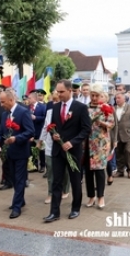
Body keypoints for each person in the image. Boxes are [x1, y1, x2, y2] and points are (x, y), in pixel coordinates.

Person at [43, 79, 91, 222]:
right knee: (56, 182)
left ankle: (75, 208)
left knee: (75, 180)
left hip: (73, 151)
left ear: (70, 91)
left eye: (62, 92)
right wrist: (54, 134)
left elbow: (86, 129)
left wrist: (72, 142)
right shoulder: (55, 107)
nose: (59, 94)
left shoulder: (80, 108)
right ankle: (54, 212)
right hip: (57, 151)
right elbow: (52, 126)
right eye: (57, 91)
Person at [0, 90, 35, 219]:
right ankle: (21, 200)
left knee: (19, 179)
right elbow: (1, 131)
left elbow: (30, 131)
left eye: (3, 102)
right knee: (12, 178)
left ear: (11, 100)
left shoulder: (23, 112)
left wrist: (16, 139)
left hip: (20, 152)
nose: (1, 105)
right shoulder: (5, 113)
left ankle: (17, 207)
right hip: (9, 152)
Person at [84, 84, 115, 209]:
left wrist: (101, 122)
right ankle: (91, 196)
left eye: (97, 95)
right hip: (87, 143)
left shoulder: (105, 108)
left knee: (99, 171)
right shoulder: (85, 108)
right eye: (92, 95)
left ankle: (101, 196)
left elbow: (111, 124)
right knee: (88, 172)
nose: (94, 98)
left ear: (101, 95)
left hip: (100, 144)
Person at [38, 92, 70, 204]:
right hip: (50, 145)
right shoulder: (50, 112)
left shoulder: (67, 112)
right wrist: (40, 140)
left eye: (58, 101)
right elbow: (45, 127)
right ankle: (51, 193)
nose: (55, 103)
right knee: (50, 169)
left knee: (65, 169)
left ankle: (65, 189)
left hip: (63, 144)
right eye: (54, 101)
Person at [114, 92, 130, 178]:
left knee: (128, 152)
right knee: (119, 153)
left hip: (128, 134)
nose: (117, 100)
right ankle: (120, 170)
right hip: (117, 135)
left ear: (124, 99)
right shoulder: (113, 108)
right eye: (116, 98)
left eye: (119, 98)